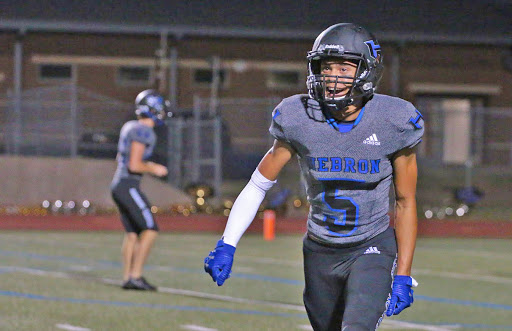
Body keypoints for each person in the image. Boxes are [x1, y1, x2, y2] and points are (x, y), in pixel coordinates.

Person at [204, 23, 424, 330]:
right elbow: (258, 184)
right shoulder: (299, 118)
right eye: (326, 67)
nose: (332, 77)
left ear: (368, 71)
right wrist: (228, 243)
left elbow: (405, 202)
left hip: (370, 246)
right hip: (320, 249)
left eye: (345, 68)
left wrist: (402, 273)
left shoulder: (392, 121)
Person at [111, 89, 170, 291]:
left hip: (120, 184)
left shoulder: (130, 126)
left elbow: (123, 159)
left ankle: (128, 277)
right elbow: (134, 165)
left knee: (133, 234)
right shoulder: (143, 131)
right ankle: (135, 276)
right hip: (128, 184)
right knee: (150, 229)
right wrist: (155, 168)